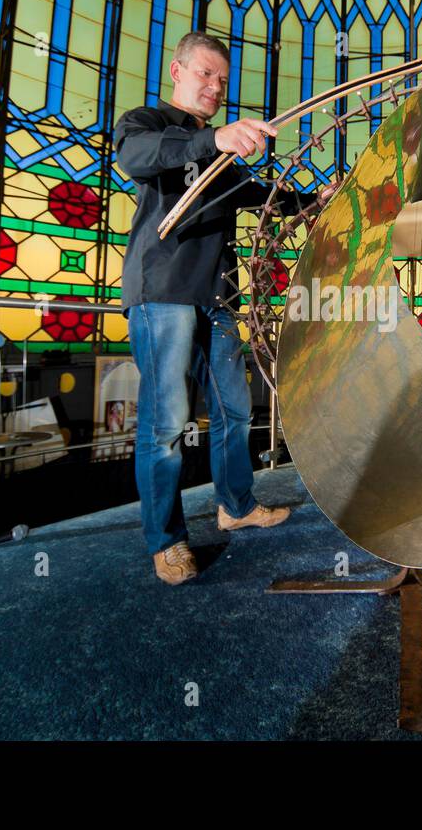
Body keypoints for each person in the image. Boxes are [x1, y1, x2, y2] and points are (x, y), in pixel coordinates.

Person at [113, 31, 329, 586]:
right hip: (162, 291)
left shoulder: (218, 149)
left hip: (218, 296)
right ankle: (167, 541)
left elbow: (254, 195)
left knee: (235, 408)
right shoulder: (146, 123)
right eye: (205, 74)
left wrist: (312, 204)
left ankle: (236, 505)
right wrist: (215, 139)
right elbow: (139, 158)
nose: (214, 87)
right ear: (177, 71)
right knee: (165, 424)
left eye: (222, 81)